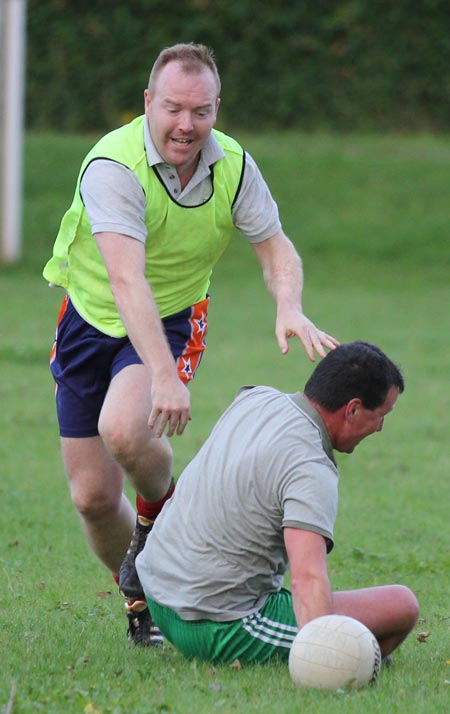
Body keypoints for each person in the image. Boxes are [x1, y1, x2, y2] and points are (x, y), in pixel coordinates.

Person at [43, 42, 338, 647]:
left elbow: (276, 245)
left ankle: (157, 525)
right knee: (93, 496)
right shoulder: (113, 166)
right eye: (173, 109)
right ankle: (141, 599)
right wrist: (165, 377)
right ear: (148, 102)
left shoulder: (231, 165)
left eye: (200, 111)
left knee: (126, 428)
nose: (186, 125)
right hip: (89, 321)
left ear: (216, 108)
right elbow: (126, 280)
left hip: (174, 317)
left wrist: (288, 303)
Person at [136, 341, 419, 664]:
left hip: (158, 592)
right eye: (380, 415)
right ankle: (346, 661)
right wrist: (324, 659)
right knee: (401, 607)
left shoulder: (258, 398)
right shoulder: (310, 467)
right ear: (352, 409)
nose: (380, 427)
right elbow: (306, 578)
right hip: (214, 622)